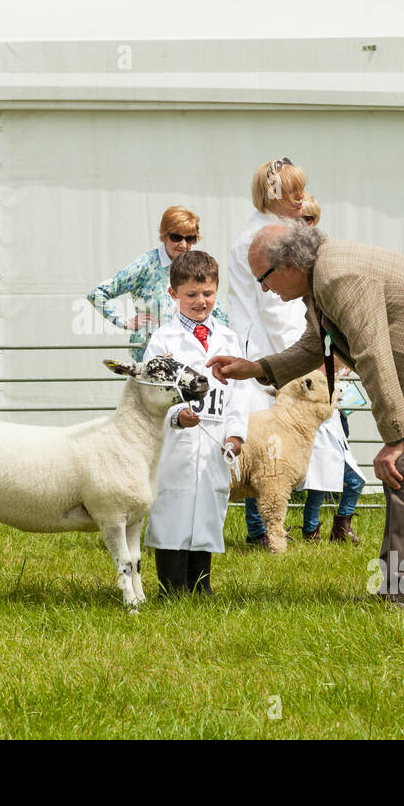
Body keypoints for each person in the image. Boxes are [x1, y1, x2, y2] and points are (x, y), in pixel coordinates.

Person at [207, 224, 404, 611]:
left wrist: (395, 436)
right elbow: (315, 346)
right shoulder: (322, 276)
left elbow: (372, 353)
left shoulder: (338, 277)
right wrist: (256, 368)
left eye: (263, 279)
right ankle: (394, 587)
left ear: (288, 264)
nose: (265, 289)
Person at [144, 250, 249, 596]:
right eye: (191, 295)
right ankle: (171, 587)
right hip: (176, 442)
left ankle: (201, 585)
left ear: (217, 290)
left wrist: (235, 435)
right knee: (172, 508)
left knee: (207, 508)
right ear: (173, 294)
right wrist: (175, 414)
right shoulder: (162, 340)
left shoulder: (229, 339)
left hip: (215, 438)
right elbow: (151, 391)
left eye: (207, 293)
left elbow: (239, 394)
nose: (200, 301)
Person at [226, 157, 311, 546]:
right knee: (264, 445)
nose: (300, 198)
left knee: (264, 444)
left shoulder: (264, 229)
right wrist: (298, 359)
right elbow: (276, 309)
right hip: (267, 348)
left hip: (261, 346)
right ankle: (261, 530)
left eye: (301, 189)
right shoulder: (266, 237)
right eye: (291, 191)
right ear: (271, 194)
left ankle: (265, 528)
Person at [298, 195, 367, 543]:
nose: (305, 224)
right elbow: (307, 342)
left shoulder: (326, 264)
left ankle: (340, 526)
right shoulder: (291, 276)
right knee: (317, 475)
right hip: (309, 397)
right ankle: (306, 530)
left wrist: (341, 363)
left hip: (334, 399)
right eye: (299, 218)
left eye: (310, 218)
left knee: (339, 471)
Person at [87, 206, 228, 361]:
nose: (183, 244)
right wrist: (124, 322)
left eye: (190, 239)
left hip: (189, 354)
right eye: (176, 237)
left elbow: (217, 312)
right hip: (151, 357)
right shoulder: (146, 264)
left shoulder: (197, 264)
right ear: (164, 236)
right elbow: (97, 294)